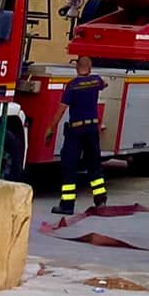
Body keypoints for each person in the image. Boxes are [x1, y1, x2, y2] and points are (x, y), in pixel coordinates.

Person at [52, 54, 108, 216]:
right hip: (92, 130)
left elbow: (62, 109)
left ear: (77, 67)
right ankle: (100, 201)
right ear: (89, 68)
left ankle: (67, 205)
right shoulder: (96, 80)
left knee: (69, 166)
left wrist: (51, 128)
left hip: (76, 132)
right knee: (94, 166)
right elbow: (105, 83)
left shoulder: (72, 86)